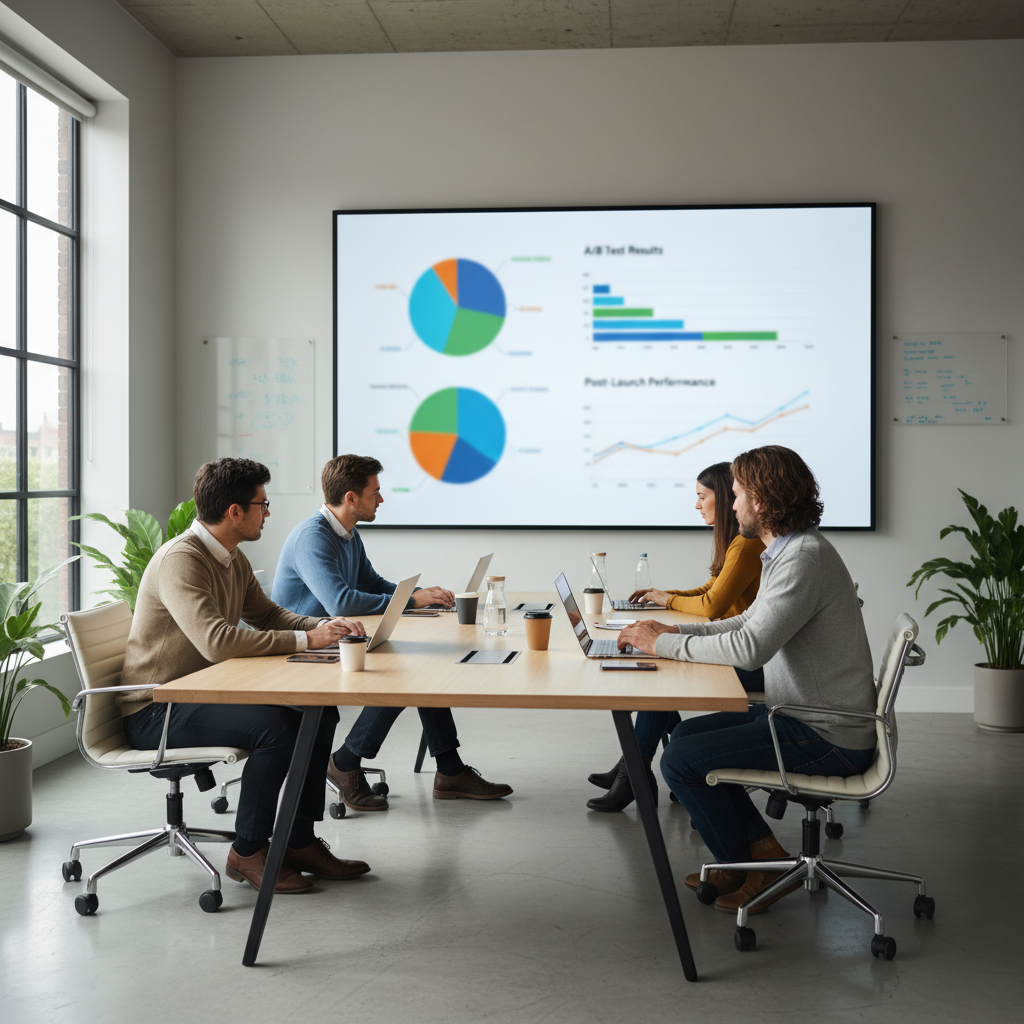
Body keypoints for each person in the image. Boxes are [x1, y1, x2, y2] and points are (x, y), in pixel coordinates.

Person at [617, 446, 877, 914]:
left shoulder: (802, 559)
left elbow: (750, 648)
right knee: (691, 733)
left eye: (736, 494)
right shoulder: (791, 551)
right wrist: (672, 631)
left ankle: (744, 872)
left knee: (679, 760)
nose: (731, 504)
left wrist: (664, 645)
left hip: (826, 733)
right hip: (802, 715)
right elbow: (742, 623)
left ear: (760, 499)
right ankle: (764, 858)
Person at [120, 458, 372, 895]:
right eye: (262, 504)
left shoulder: (231, 556)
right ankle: (248, 851)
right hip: (156, 707)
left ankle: (299, 841)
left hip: (202, 692)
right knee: (276, 730)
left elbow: (267, 613)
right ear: (234, 512)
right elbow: (217, 641)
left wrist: (320, 628)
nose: (268, 513)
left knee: (320, 712)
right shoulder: (183, 561)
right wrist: (306, 643)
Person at [272, 454, 512, 811]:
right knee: (407, 677)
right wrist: (409, 600)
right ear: (351, 498)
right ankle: (346, 762)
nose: (381, 500)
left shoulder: (348, 535)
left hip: (340, 639)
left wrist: (418, 597)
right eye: (375, 492)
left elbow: (372, 583)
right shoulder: (313, 538)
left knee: (423, 671)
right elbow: (341, 601)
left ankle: (450, 770)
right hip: (304, 648)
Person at [586, 462, 765, 812]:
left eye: (702, 497)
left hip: (749, 656)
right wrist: (664, 594)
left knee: (660, 673)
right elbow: (710, 589)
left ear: (729, 497)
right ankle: (632, 770)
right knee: (659, 669)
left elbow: (713, 603)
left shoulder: (746, 545)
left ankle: (632, 773)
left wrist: (667, 600)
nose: (697, 505)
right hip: (733, 645)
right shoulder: (736, 545)